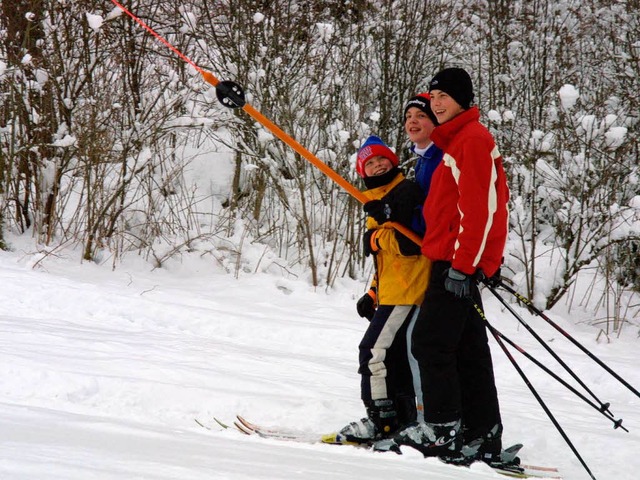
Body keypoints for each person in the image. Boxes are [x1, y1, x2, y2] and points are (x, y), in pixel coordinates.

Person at [374, 67, 510, 466]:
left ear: (462, 100)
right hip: (452, 259)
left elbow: (482, 209)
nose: (435, 103)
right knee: (467, 349)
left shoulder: (471, 140)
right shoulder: (457, 140)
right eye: (432, 97)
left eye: (443, 97)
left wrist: (466, 266)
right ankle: (482, 432)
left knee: (430, 342)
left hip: (454, 264)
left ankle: (441, 428)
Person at [336, 135, 431, 444]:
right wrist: (373, 293)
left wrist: (376, 239)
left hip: (408, 291)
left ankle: (381, 420)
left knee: (372, 352)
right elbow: (385, 263)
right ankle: (403, 417)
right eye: (370, 163)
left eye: (382, 160)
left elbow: (410, 244)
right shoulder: (377, 201)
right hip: (392, 291)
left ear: (393, 162)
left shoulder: (405, 192)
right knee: (394, 358)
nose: (377, 166)